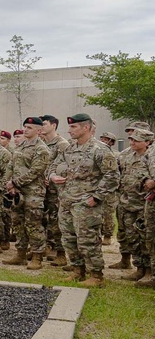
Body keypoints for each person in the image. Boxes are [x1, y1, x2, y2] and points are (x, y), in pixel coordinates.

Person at [47, 113, 118, 287]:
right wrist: (52, 176)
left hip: (86, 203)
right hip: (66, 201)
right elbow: (52, 166)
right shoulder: (68, 148)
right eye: (70, 127)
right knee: (69, 238)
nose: (69, 130)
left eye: (74, 127)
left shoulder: (99, 149)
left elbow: (112, 176)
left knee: (87, 239)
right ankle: (78, 270)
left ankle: (96, 275)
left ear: (86, 127)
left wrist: (97, 197)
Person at [2, 117, 51, 270]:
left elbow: (36, 171)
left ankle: (37, 255)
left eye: (30, 127)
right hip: (16, 192)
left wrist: (15, 183)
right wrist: (9, 183)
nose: (26, 129)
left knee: (33, 224)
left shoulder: (42, 149)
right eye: (25, 127)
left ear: (39, 130)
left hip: (33, 192)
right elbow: (11, 165)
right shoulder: (20, 146)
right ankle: (20, 253)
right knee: (18, 223)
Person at [112, 128, 152, 283]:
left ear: (147, 142)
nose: (132, 142)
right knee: (132, 237)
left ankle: (148, 271)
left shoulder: (150, 158)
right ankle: (139, 268)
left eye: (136, 140)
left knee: (145, 238)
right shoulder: (126, 156)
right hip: (127, 204)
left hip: (144, 205)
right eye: (131, 139)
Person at [40, 114, 70, 265]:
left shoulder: (62, 144)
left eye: (44, 124)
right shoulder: (41, 143)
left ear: (53, 125)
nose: (41, 126)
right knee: (43, 220)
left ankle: (61, 253)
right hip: (41, 189)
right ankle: (46, 246)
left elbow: (67, 167)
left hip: (56, 190)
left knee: (57, 221)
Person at [98, 131, 120, 245]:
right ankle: (97, 234)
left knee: (108, 213)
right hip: (98, 187)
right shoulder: (97, 152)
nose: (103, 141)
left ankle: (107, 235)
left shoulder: (116, 155)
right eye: (102, 138)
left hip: (110, 190)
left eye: (106, 139)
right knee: (97, 213)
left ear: (112, 142)